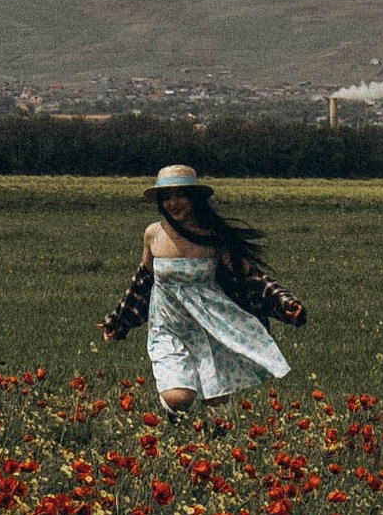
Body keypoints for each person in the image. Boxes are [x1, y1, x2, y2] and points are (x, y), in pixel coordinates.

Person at [99, 164, 306, 425]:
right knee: (178, 398)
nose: (174, 203)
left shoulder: (213, 236)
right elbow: (143, 281)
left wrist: (283, 301)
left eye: (181, 195)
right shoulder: (153, 234)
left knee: (216, 404)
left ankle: (216, 447)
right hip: (168, 328)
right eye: (167, 197)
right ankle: (173, 428)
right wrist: (119, 320)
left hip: (210, 326)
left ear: (195, 198)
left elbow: (249, 276)